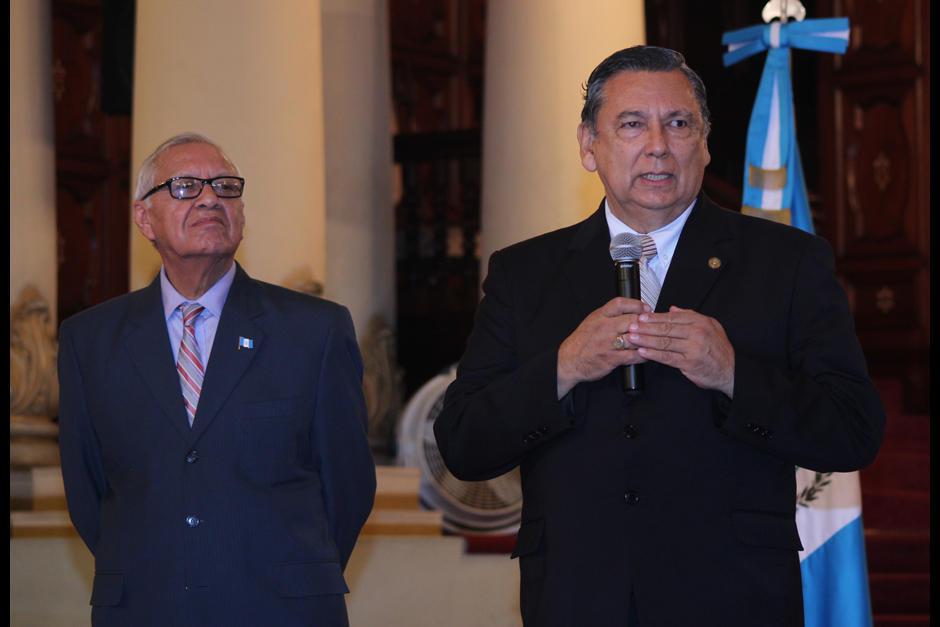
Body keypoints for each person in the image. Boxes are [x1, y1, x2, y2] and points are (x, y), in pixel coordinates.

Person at [433, 46, 884, 627]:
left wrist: (734, 375)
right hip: (577, 598)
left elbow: (853, 431)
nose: (658, 145)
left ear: (704, 143)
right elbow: (463, 444)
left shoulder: (787, 262)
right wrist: (563, 367)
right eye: (631, 124)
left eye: (678, 123)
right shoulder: (525, 274)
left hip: (733, 598)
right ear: (588, 145)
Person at [58, 132, 376, 626]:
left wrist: (293, 572)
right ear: (144, 218)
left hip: (282, 610)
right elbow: (88, 491)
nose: (210, 198)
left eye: (226, 187)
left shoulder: (314, 331)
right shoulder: (90, 341)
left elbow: (347, 486)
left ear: (241, 214)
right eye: (185, 186)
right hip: (145, 608)